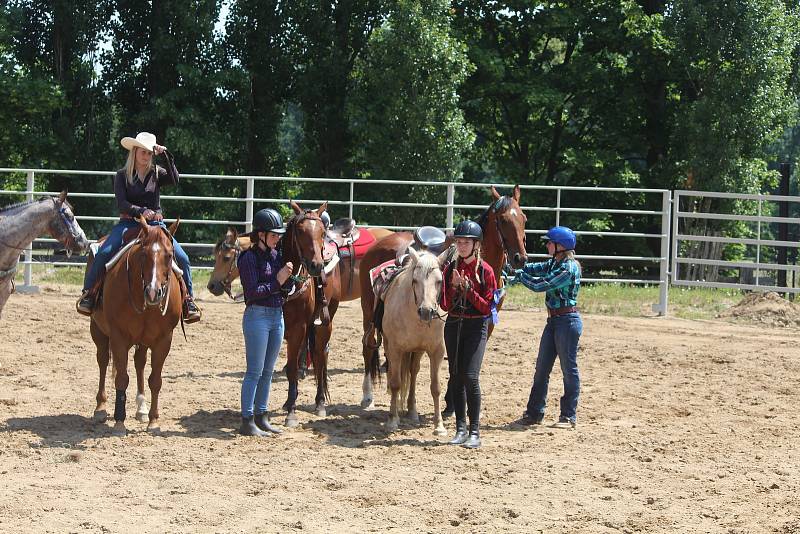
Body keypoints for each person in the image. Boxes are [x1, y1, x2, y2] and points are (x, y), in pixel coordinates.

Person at [76, 132, 201, 323]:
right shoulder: (121, 175)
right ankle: (89, 294)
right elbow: (122, 203)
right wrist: (141, 211)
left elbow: (175, 179)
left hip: (155, 226)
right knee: (103, 252)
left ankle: (188, 300)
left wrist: (166, 156)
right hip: (128, 223)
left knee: (182, 257)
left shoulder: (157, 173)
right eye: (143, 152)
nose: (146, 156)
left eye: (149, 153)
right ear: (134, 152)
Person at [507, 226, 582, 429]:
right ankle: (534, 413)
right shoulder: (553, 263)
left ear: (560, 246)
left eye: (550, 242)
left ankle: (568, 416)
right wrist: (515, 266)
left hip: (567, 322)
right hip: (554, 321)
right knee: (541, 368)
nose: (547, 245)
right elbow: (532, 268)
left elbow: (541, 285)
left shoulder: (569, 268)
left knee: (569, 369)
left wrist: (520, 277)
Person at [439, 220, 497, 449]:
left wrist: (469, 290)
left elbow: (486, 307)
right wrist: (454, 290)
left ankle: (475, 431)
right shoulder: (450, 269)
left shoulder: (486, 271)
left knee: (470, 376)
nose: (461, 246)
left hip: (476, 327)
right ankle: (460, 428)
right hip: (454, 324)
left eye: (466, 242)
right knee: (455, 374)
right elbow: (444, 305)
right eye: (459, 242)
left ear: (476, 245)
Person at [237, 208, 293, 437]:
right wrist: (278, 281)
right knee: (254, 371)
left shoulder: (275, 255)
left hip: (276, 315)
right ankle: (247, 418)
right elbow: (253, 291)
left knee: (268, 371)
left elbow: (282, 288)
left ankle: (262, 415)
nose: (277, 238)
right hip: (257, 316)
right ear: (260, 234)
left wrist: (290, 283)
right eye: (273, 234)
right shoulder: (248, 258)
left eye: (278, 235)